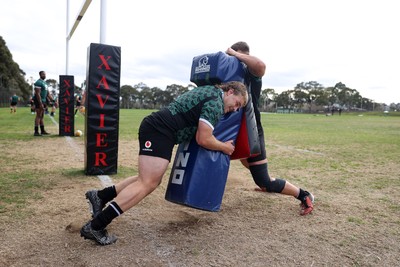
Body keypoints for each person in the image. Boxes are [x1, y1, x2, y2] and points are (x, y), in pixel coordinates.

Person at [80, 81, 248, 245]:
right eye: (237, 103)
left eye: (239, 108)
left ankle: (101, 196)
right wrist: (224, 147)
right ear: (230, 91)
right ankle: (96, 226)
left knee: (147, 179)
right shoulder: (215, 103)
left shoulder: (210, 91)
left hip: (158, 129)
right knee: (148, 183)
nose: (235, 109)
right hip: (160, 131)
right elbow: (203, 139)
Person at [226, 41, 314, 216]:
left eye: (233, 56)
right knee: (241, 159)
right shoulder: (230, 75)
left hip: (251, 131)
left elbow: (260, 65)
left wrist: (233, 53)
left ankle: (304, 195)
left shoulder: (250, 71)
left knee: (264, 181)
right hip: (234, 129)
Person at [33, 71, 53, 136]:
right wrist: (40, 103)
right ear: (40, 75)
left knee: (42, 116)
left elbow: (48, 93)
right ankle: (36, 132)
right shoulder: (38, 82)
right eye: (43, 74)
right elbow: (37, 94)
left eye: (45, 74)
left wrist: (53, 101)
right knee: (38, 115)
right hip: (39, 100)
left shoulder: (44, 83)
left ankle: (42, 130)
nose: (44, 75)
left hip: (44, 100)